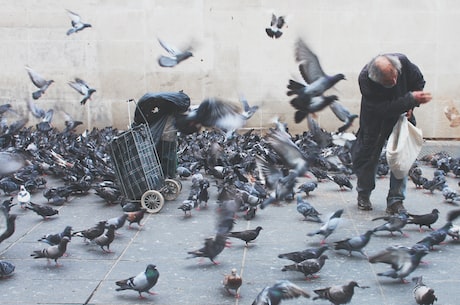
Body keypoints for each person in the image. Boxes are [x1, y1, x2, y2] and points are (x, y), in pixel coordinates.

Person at [351, 53, 432, 214]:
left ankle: (396, 201)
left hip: (402, 117)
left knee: (402, 158)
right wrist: (410, 99)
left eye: (395, 76)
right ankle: (363, 194)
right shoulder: (366, 79)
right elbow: (383, 109)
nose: (394, 82)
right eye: (388, 81)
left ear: (397, 69)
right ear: (377, 79)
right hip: (375, 120)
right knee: (369, 157)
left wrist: (411, 106)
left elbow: (418, 81)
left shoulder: (402, 62)